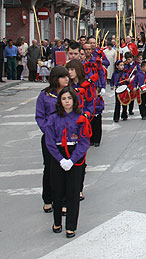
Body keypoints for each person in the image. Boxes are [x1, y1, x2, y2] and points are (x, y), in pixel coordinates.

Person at [44, 87, 91, 238]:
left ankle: (71, 226)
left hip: (74, 156)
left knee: (73, 192)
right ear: (60, 101)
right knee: (57, 191)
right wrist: (60, 159)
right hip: (58, 156)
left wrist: (71, 160)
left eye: (69, 98)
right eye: (63, 99)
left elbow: (84, 142)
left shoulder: (81, 118)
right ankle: (57, 221)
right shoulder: (52, 118)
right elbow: (49, 142)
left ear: (74, 100)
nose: (67, 101)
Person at [35, 66, 70, 214]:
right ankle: (48, 199)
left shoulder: (69, 94)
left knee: (64, 170)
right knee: (49, 168)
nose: (67, 79)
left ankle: (62, 201)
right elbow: (40, 116)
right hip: (50, 138)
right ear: (56, 79)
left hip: (66, 138)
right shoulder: (45, 95)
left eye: (67, 76)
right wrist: (49, 132)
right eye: (63, 77)